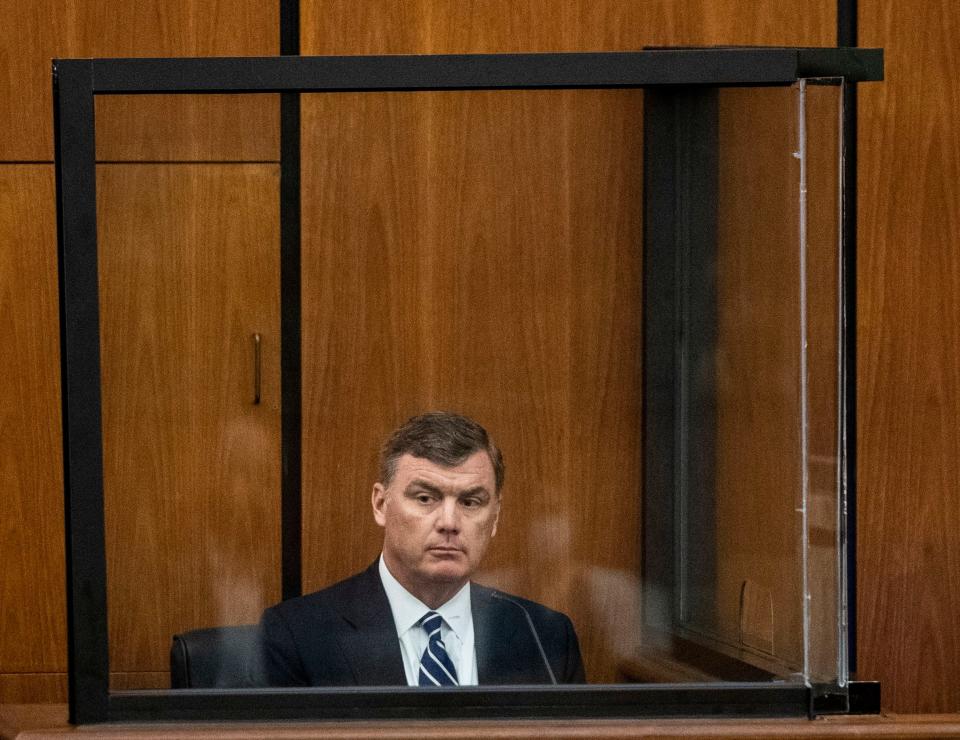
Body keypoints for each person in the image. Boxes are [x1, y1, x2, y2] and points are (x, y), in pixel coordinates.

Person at [259, 411, 585, 686]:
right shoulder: (300, 637)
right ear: (380, 504)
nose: (449, 522)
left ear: (495, 517)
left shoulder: (545, 636)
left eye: (470, 502)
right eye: (425, 498)